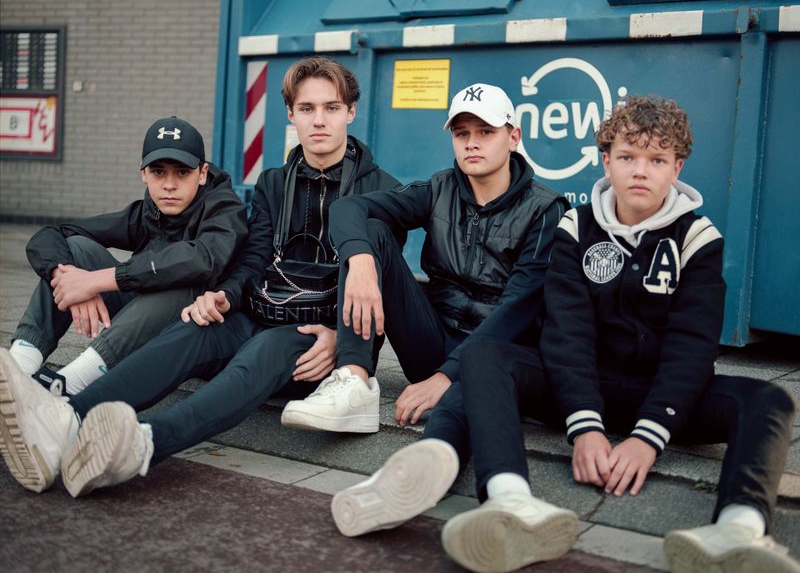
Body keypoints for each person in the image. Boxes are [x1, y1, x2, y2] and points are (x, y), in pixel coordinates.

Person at [331, 96, 798, 573]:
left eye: (657, 159)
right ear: (606, 161)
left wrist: (648, 438)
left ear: (677, 167)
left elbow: (693, 347)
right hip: (578, 385)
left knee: (770, 400)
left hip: (661, 393)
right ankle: (510, 502)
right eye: (627, 157)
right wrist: (586, 426)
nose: (641, 171)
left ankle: (737, 530)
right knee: (487, 356)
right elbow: (567, 334)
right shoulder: (577, 227)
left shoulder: (698, 238)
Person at [0, 56, 400, 496]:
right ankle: (67, 418)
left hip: (308, 334)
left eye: (330, 107)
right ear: (290, 114)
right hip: (259, 308)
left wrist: (343, 341)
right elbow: (254, 260)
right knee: (196, 321)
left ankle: (141, 441)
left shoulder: (384, 190)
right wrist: (224, 296)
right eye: (307, 109)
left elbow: (378, 291)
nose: (318, 120)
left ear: (351, 112)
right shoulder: (272, 183)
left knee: (262, 348)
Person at [281, 82, 567, 442]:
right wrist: (363, 263)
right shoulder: (438, 189)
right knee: (371, 232)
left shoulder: (545, 208)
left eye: (486, 132)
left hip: (496, 355)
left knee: (481, 378)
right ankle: (353, 382)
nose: (472, 143)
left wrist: (445, 377)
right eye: (461, 133)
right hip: (431, 341)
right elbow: (348, 207)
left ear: (513, 137)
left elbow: (519, 308)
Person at [7, 116, 247, 397]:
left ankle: (70, 384)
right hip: (142, 328)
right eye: (158, 172)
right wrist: (68, 279)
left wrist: (100, 280)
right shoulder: (147, 212)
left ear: (202, 173)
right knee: (75, 249)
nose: (169, 184)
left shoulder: (225, 209)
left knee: (185, 280)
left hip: (199, 336)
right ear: (143, 174)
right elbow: (51, 234)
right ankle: (18, 367)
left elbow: (202, 259)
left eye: (182, 173)